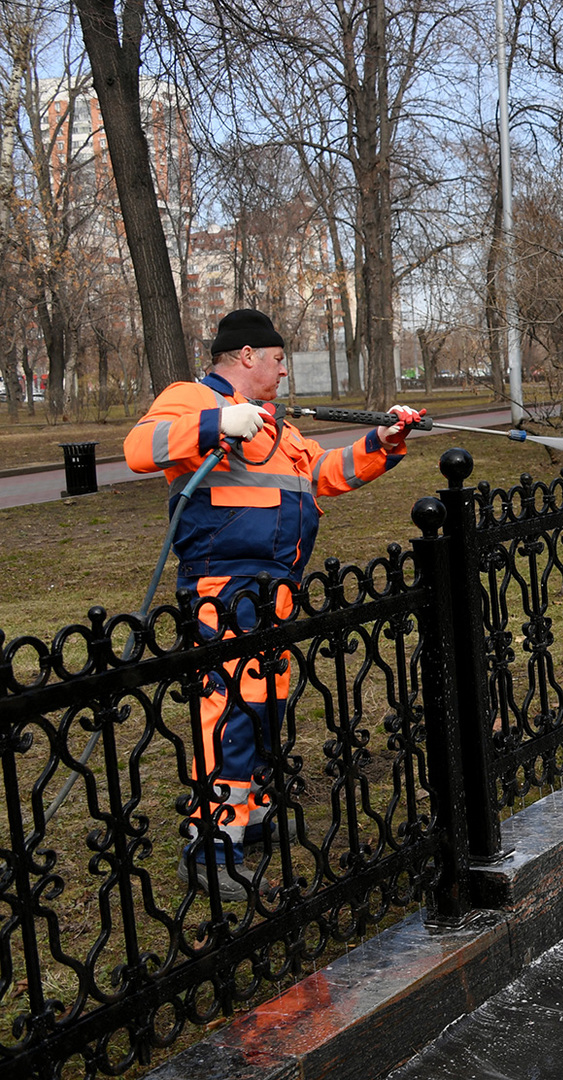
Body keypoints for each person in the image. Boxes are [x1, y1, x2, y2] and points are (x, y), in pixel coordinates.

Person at [124, 308, 422, 901]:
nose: (284, 372)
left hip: (275, 584)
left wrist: (382, 443)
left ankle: (252, 815)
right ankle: (211, 838)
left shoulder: (278, 428)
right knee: (229, 703)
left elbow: (323, 472)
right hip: (222, 582)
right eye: (279, 360)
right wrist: (216, 423)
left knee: (267, 701)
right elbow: (139, 447)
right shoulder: (191, 398)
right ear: (246, 357)